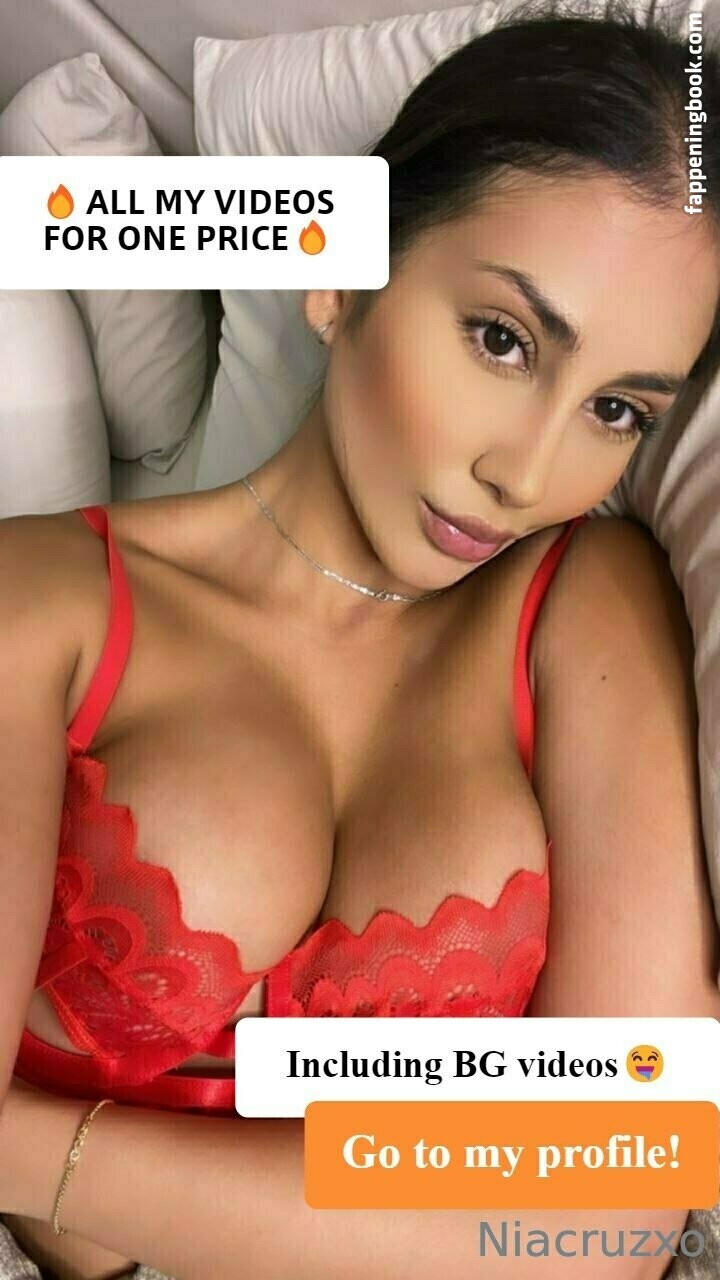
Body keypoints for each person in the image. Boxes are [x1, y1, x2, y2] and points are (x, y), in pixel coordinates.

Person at [1, 3, 720, 1277]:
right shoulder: (47, 596)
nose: (528, 472)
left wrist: (40, 1154)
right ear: (339, 277)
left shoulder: (589, 608)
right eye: (501, 340)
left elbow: (613, 1213)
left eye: (616, 410)